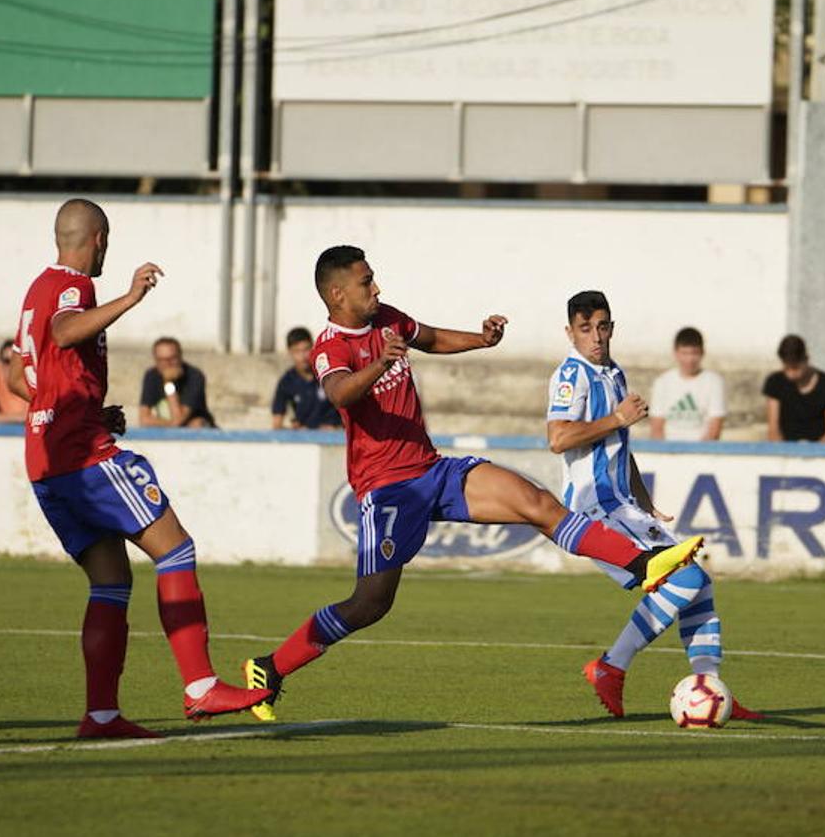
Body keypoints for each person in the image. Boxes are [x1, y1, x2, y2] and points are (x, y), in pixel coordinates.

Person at [239, 246, 703, 721]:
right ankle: (270, 668)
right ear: (337, 294)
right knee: (370, 603)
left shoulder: (388, 319)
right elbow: (339, 393)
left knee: (536, 503)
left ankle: (645, 562)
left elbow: (431, 338)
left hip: (432, 469)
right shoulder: (330, 346)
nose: (376, 288)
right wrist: (379, 364)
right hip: (388, 488)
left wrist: (481, 340)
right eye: (366, 282)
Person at [7, 198, 268, 739]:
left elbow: (17, 378)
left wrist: (81, 407)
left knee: (111, 582)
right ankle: (201, 686)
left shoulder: (36, 290)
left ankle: (101, 715)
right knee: (176, 549)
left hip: (45, 456)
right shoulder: (74, 287)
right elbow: (65, 332)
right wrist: (130, 297)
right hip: (81, 454)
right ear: (99, 239)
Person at [551, 292, 759, 722]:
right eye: (585, 329)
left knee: (699, 582)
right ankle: (611, 666)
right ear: (570, 333)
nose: (596, 337)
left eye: (602, 327)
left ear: (612, 328)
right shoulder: (571, 375)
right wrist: (618, 418)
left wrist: (644, 501)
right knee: (685, 579)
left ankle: (709, 687)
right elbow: (559, 438)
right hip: (594, 508)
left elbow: (618, 447)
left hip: (622, 504)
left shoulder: (613, 372)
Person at [648, 327, 726, 441]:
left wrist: (699, 450)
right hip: (668, 448)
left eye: (694, 353)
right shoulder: (662, 382)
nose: (689, 359)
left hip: (703, 449)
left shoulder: (714, 382)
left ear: (702, 352)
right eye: (684, 353)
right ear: (675, 353)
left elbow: (714, 429)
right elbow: (656, 428)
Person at [762, 334, 825, 442]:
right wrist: (784, 450)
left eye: (795, 368)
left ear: (806, 359)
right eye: (787, 368)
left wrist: (815, 449)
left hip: (819, 448)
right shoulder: (775, 382)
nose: (791, 374)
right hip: (785, 448)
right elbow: (773, 430)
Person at [271, 326, 340, 430]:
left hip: (335, 435)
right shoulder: (287, 382)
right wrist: (295, 432)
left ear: (313, 348)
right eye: (297, 351)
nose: (303, 356)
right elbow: (277, 424)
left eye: (306, 349)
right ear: (290, 352)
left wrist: (338, 428)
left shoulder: (329, 374)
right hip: (305, 436)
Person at [138, 337, 215, 428]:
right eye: (162, 360)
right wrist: (170, 424)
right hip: (168, 428)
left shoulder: (194, 376)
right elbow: (144, 419)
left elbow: (178, 419)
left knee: (197, 424)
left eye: (171, 359)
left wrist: (168, 383)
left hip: (197, 429)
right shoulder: (151, 375)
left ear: (180, 357)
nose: (167, 364)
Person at [0, 338, 29, 424]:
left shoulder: (30, 377)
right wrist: (20, 418)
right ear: (0, 363)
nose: (11, 367)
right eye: (7, 361)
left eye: (15, 362)